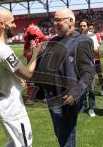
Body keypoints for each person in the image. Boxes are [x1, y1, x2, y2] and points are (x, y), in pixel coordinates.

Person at [34, 8, 94, 147]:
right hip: (51, 97)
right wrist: (39, 88)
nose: (55, 23)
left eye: (59, 20)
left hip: (67, 99)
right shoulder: (53, 41)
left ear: (71, 21)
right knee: (60, 135)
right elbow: (45, 66)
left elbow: (88, 72)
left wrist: (75, 92)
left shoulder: (82, 41)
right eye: (54, 20)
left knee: (67, 139)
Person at [0, 8, 41, 147]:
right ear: (2, 24)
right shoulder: (3, 50)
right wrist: (35, 54)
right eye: (12, 22)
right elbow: (28, 74)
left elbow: (5, 68)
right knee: (25, 144)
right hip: (12, 109)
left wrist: (16, 77)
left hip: (0, 105)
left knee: (14, 144)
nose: (15, 25)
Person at [79, 19, 98, 117]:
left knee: (91, 88)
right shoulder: (76, 37)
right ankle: (83, 106)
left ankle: (91, 108)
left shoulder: (92, 36)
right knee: (82, 87)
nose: (82, 27)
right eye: (81, 26)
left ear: (87, 26)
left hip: (90, 65)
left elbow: (96, 49)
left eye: (84, 26)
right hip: (79, 66)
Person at [23, 23, 46, 105]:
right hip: (31, 64)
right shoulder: (27, 44)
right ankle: (30, 97)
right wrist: (33, 50)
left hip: (38, 63)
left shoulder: (39, 42)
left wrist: (38, 48)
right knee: (30, 79)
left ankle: (41, 96)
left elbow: (42, 52)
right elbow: (27, 55)